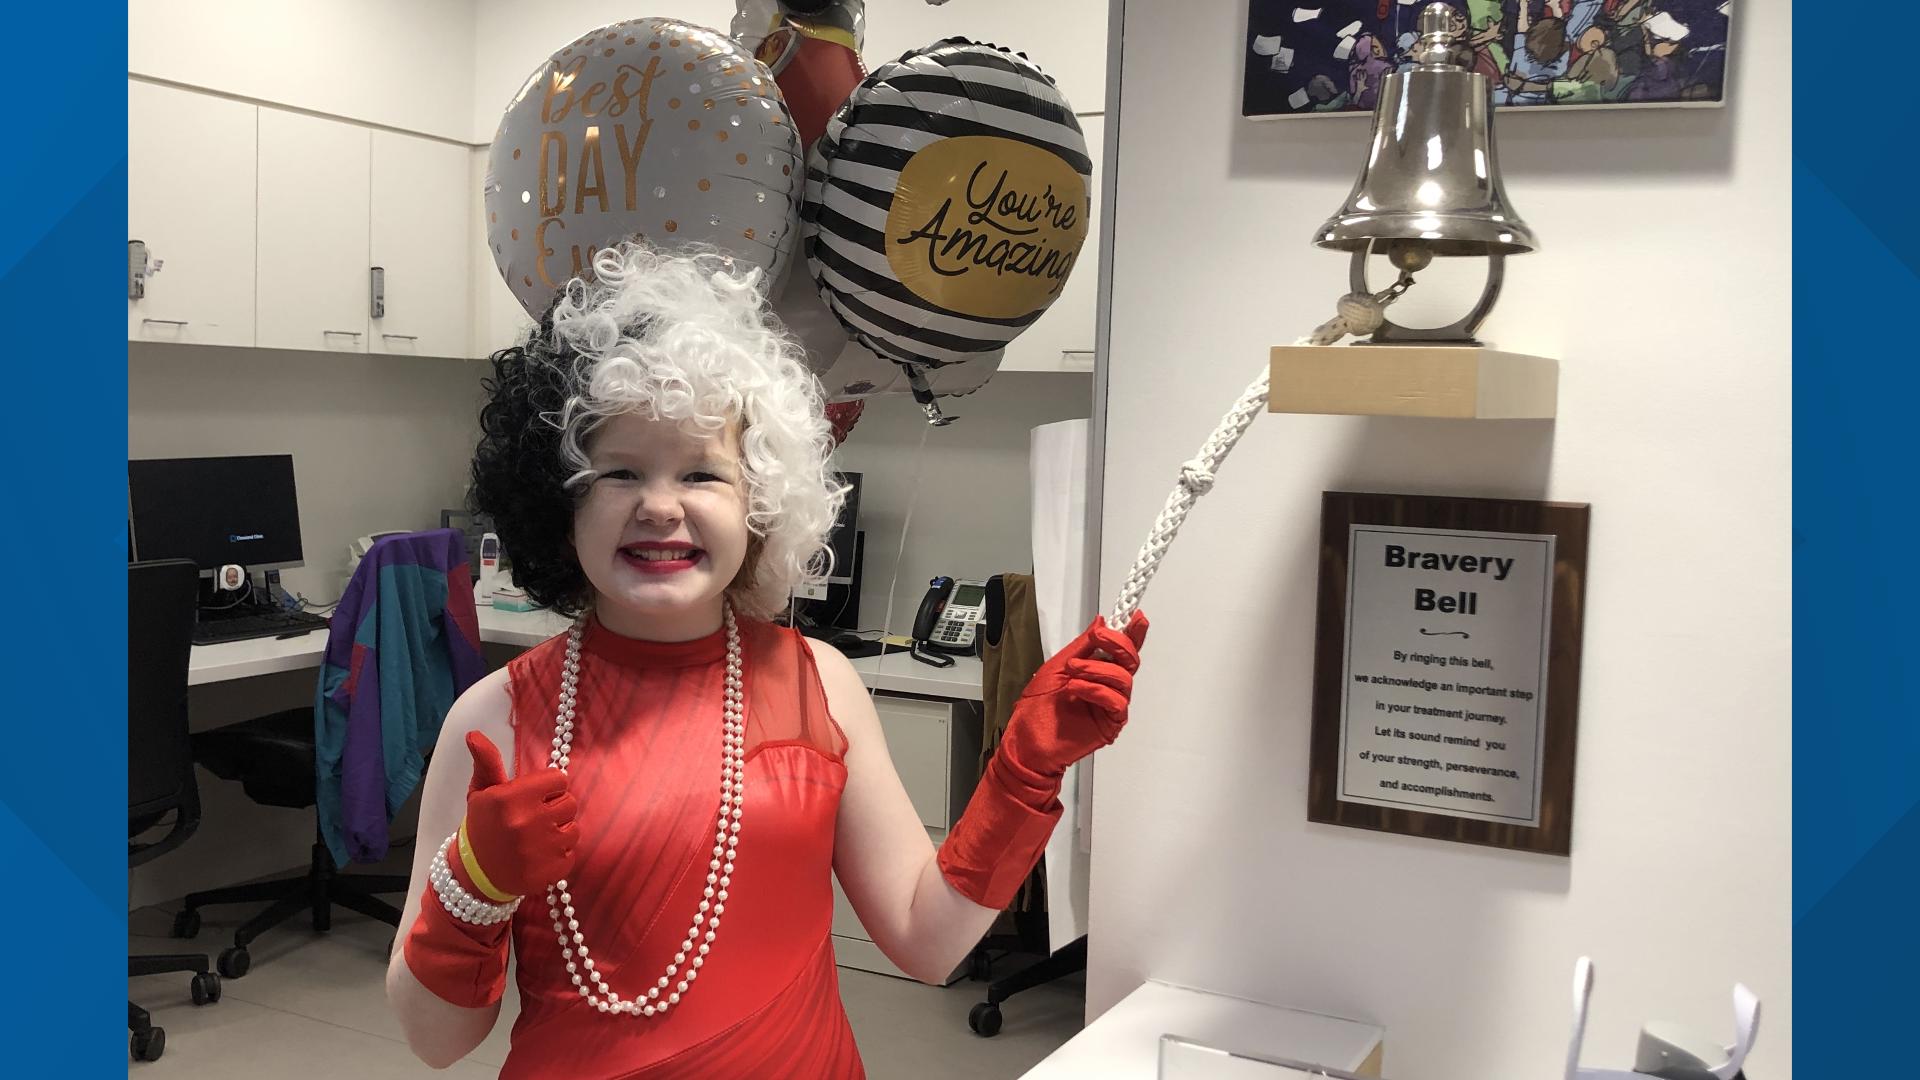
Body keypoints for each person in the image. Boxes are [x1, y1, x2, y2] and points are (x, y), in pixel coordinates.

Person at [384, 243, 1150, 1078]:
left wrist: (1025, 773)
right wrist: (474, 885)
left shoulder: (820, 682)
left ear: (761, 501)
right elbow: (437, 1041)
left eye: (703, 473)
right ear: (559, 503)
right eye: (619, 472)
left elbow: (927, 944)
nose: (661, 507)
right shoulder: (494, 719)